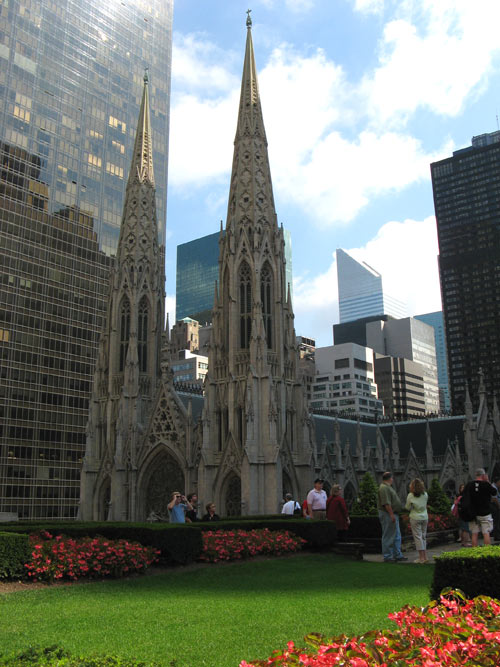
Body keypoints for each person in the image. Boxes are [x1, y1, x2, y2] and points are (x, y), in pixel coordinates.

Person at [377, 471, 408, 562]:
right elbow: (386, 503)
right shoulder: (383, 488)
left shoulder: (387, 487)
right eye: (392, 478)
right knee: (388, 535)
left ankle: (397, 555)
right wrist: (391, 514)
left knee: (397, 536)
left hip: (393, 514)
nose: (393, 479)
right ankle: (387, 556)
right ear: (390, 478)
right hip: (387, 514)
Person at [464, 468, 497, 546]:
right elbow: (494, 492)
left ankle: (475, 553)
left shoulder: (470, 484)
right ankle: (486, 552)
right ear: (483, 475)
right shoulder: (486, 484)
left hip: (473, 513)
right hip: (485, 513)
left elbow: (464, 495)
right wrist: (487, 481)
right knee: (486, 533)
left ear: (476, 475)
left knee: (474, 534)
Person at [405, 478, 428, 563]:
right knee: (423, 537)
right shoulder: (425, 494)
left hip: (415, 517)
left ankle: (421, 558)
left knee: (418, 537)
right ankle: (425, 557)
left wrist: (412, 506)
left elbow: (407, 507)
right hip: (425, 517)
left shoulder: (410, 495)